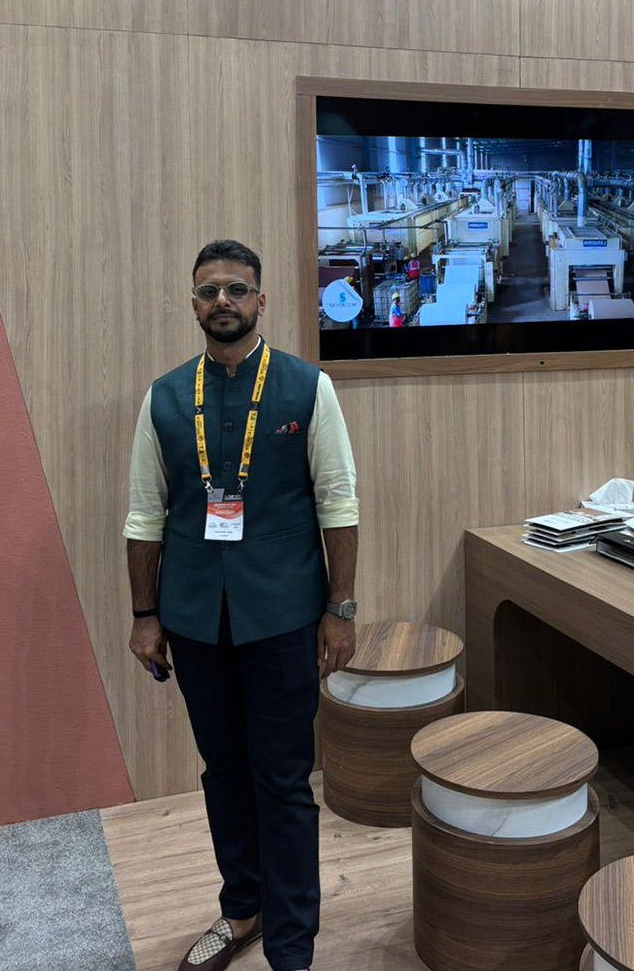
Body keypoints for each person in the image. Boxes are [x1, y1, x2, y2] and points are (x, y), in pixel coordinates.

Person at [123, 239, 359, 971]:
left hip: (284, 616)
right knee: (222, 771)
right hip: (194, 617)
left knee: (283, 780)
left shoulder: (307, 388)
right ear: (193, 304)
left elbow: (339, 501)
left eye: (235, 288)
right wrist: (143, 615)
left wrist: (341, 608)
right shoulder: (165, 397)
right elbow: (144, 514)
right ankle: (242, 910)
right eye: (208, 291)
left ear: (261, 300)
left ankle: (291, 946)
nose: (221, 301)